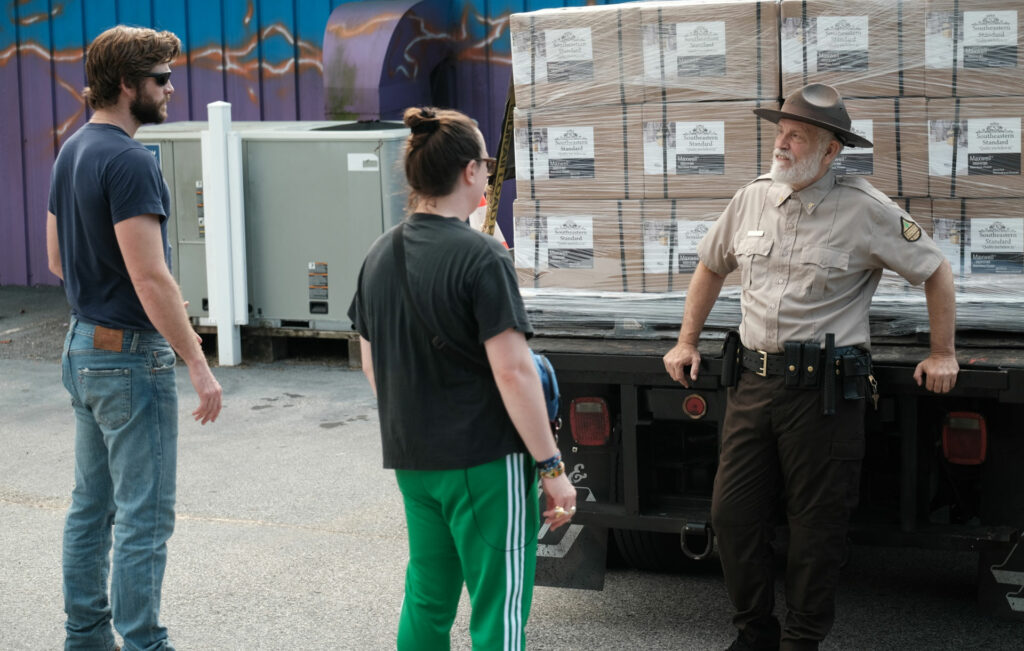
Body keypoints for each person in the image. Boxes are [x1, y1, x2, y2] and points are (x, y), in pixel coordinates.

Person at [662, 84, 959, 651]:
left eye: (797, 136)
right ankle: (755, 633)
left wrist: (942, 352)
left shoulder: (866, 209)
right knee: (732, 515)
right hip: (753, 383)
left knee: (816, 529)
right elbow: (711, 265)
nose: (782, 143)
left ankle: (801, 641)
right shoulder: (752, 198)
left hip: (823, 394)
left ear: (830, 151)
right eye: (781, 132)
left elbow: (935, 269)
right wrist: (686, 341)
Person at [347, 106, 576, 649]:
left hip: (414, 460)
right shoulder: (482, 255)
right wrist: (552, 468)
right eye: (488, 165)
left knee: (427, 599)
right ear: (471, 171)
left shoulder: (379, 254)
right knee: (499, 606)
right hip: (484, 462)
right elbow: (513, 371)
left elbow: (371, 361)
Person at [46, 25, 222, 651]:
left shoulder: (73, 150)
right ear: (127, 84)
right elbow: (150, 277)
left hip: (83, 345)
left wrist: (120, 296)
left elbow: (58, 260)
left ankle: (86, 638)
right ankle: (146, 643)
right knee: (144, 516)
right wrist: (197, 361)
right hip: (126, 359)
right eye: (161, 78)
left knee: (90, 510)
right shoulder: (129, 161)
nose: (172, 88)